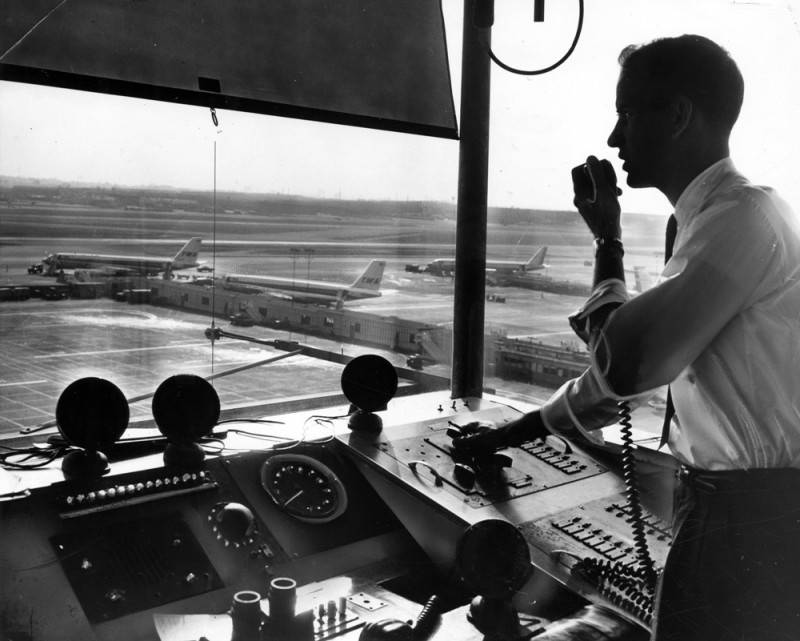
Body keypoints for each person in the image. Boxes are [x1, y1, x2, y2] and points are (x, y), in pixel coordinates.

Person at [453, 34, 800, 640]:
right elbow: (612, 380)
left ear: (679, 116)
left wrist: (607, 241)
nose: (615, 138)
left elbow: (626, 361)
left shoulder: (740, 220)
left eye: (627, 113)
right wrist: (512, 433)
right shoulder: (712, 224)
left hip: (744, 520)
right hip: (731, 511)